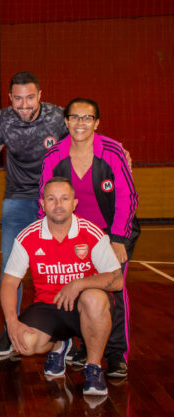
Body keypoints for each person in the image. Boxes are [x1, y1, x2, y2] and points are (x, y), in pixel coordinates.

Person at [39, 98, 139, 377]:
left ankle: (117, 353)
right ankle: (85, 345)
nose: (80, 123)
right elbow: (44, 199)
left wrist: (117, 238)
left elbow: (128, 197)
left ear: (97, 123)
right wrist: (49, 236)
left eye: (87, 118)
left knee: (113, 291)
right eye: (75, 117)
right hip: (74, 235)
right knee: (75, 288)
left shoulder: (113, 152)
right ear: (66, 121)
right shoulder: (54, 156)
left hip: (111, 233)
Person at [1, 177, 123, 396]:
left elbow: (117, 279)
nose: (58, 205)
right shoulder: (28, 236)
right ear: (42, 204)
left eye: (64, 198)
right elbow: (10, 282)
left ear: (74, 203)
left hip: (84, 308)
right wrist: (11, 322)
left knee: (93, 298)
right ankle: (59, 345)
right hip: (48, 306)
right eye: (52, 199)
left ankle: (93, 368)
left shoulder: (91, 233)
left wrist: (79, 284)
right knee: (25, 343)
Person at [0, 72, 68, 356]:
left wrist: (115, 153)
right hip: (17, 198)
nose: (24, 104)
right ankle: (10, 328)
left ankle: (68, 333)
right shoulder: (3, 120)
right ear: (10, 98)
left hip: (52, 199)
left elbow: (82, 140)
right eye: (18, 98)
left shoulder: (58, 117)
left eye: (30, 97)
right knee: (10, 268)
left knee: (62, 266)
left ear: (40, 95)